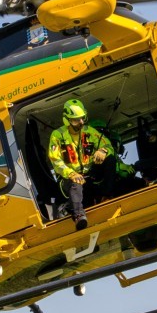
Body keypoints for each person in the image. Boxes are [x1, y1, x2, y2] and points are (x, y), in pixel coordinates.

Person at [47, 98, 126, 231]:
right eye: (76, 120)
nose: (81, 122)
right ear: (67, 120)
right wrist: (71, 173)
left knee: (111, 160)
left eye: (82, 118)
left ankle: (106, 195)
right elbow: (55, 160)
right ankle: (78, 215)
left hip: (90, 174)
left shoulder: (89, 131)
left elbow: (108, 145)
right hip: (68, 179)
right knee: (76, 183)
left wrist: (103, 151)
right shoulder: (57, 135)